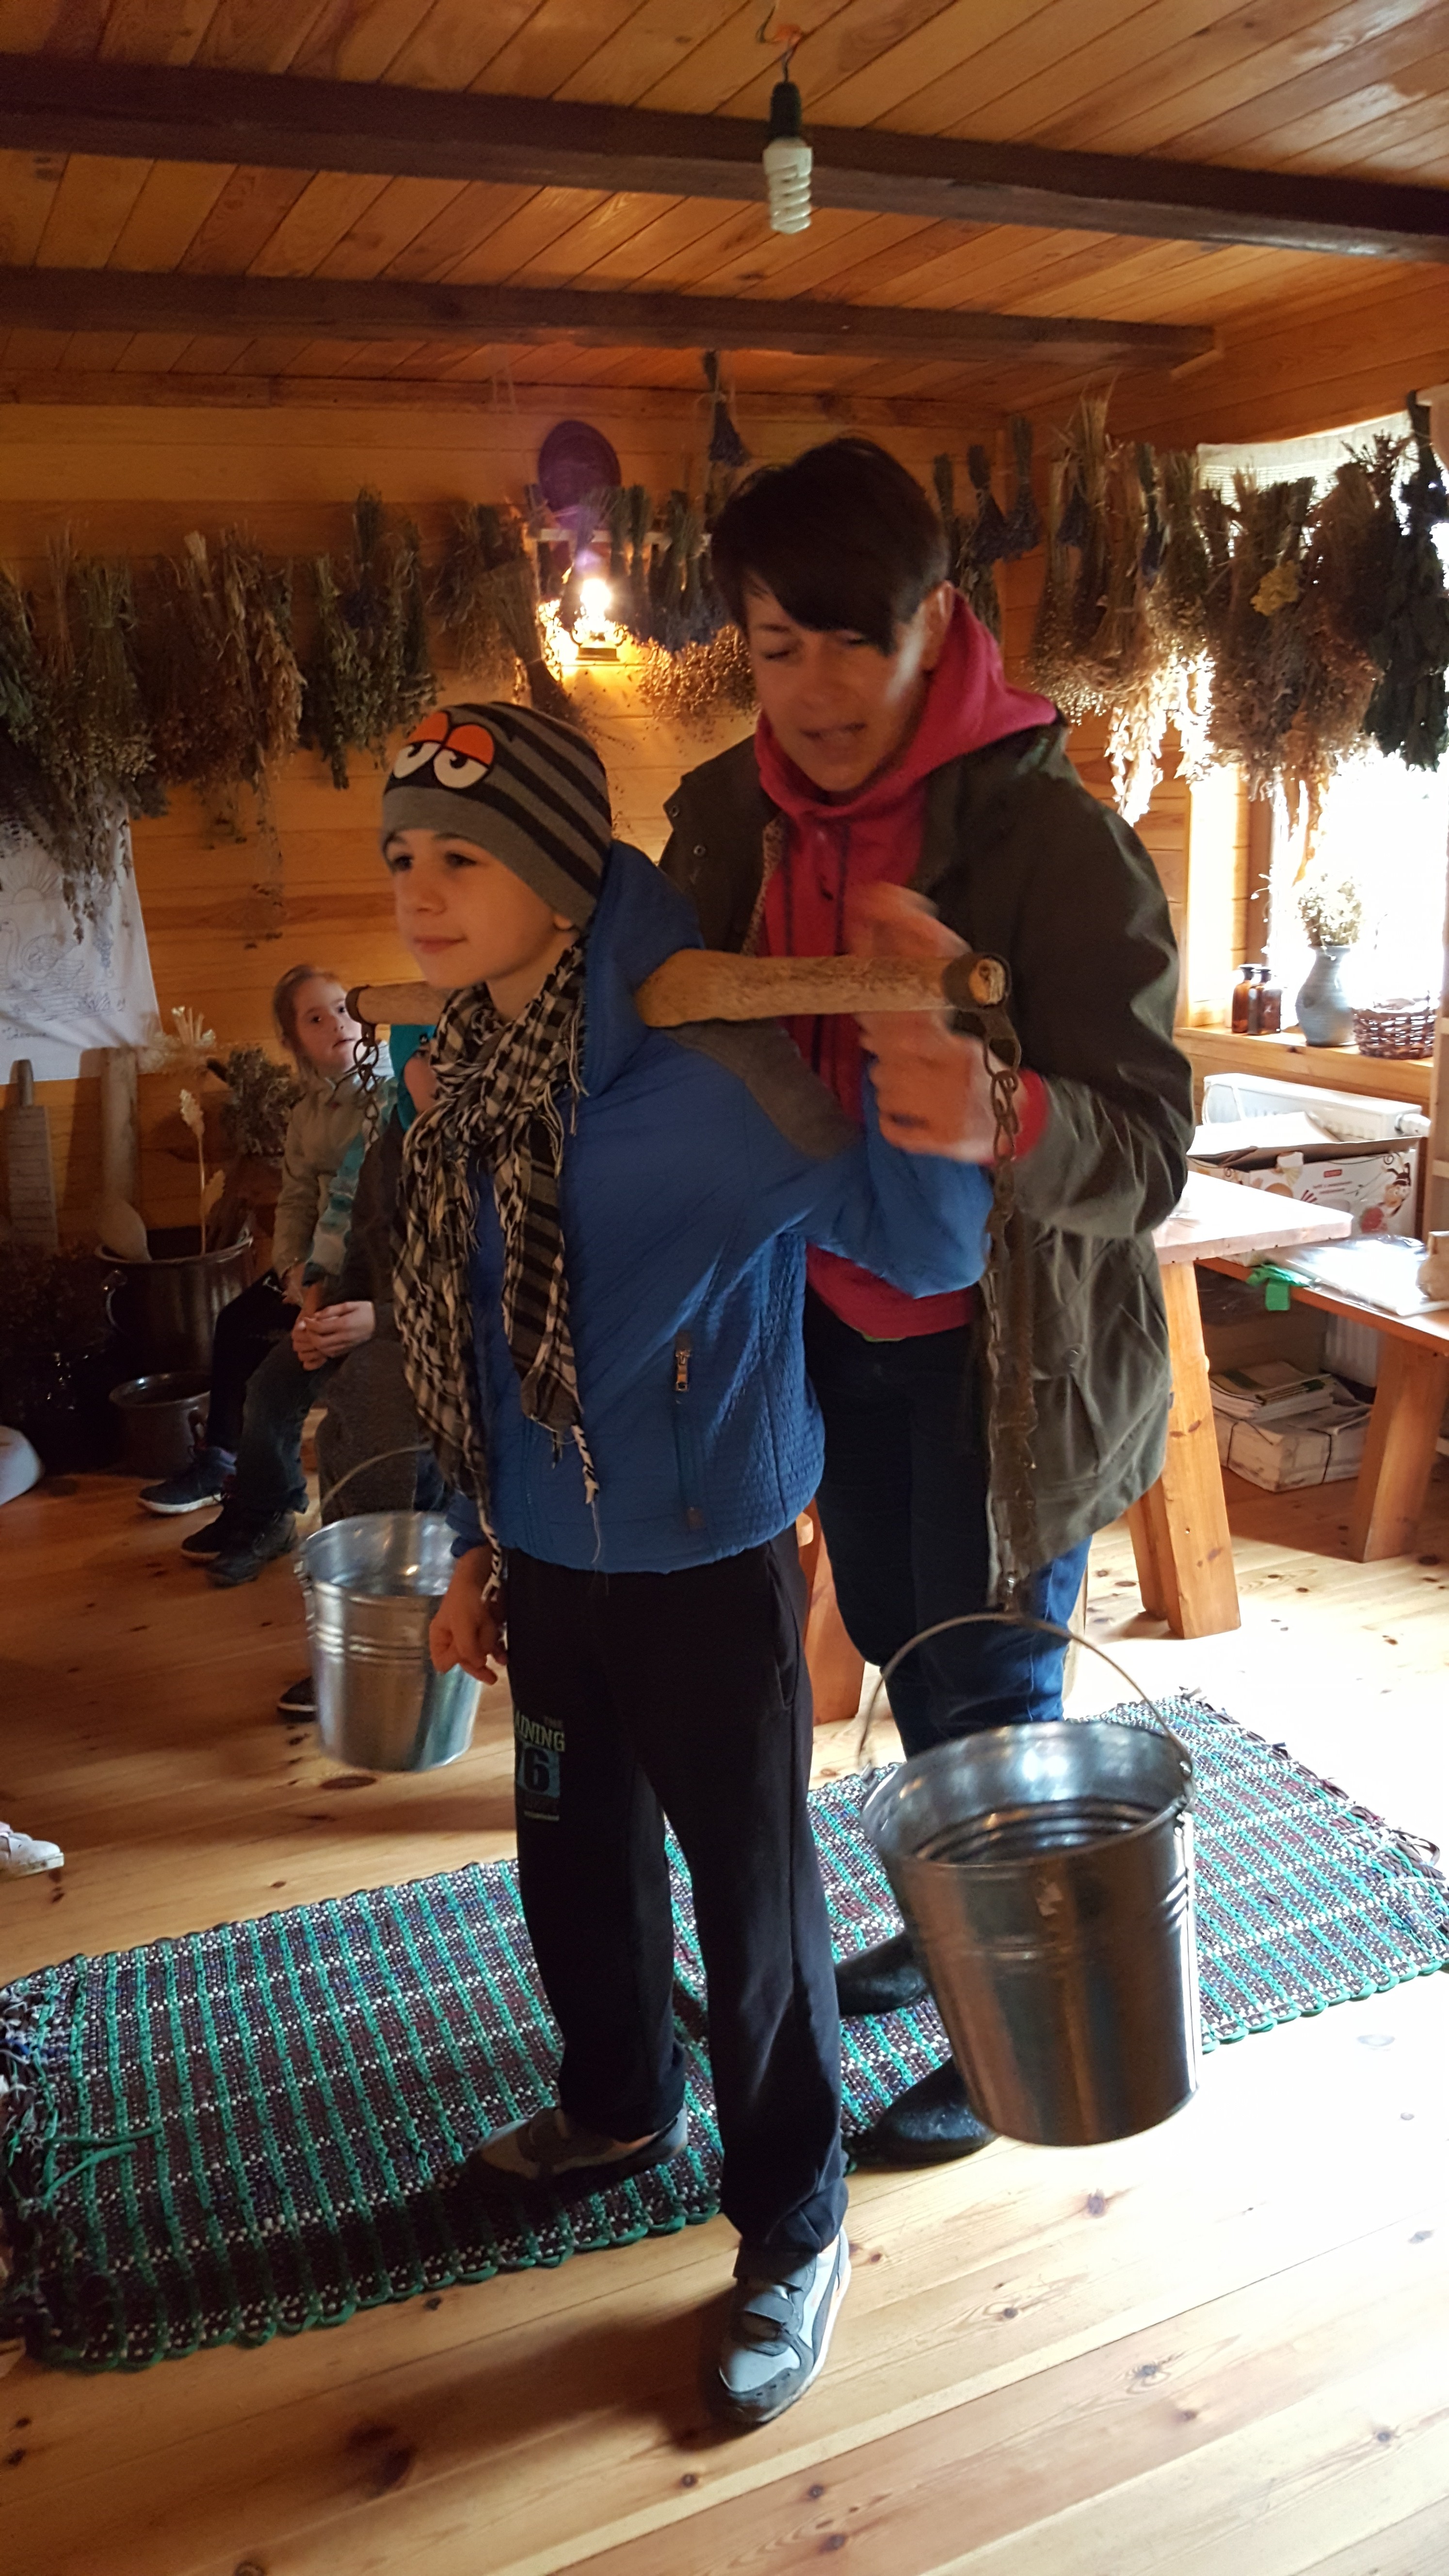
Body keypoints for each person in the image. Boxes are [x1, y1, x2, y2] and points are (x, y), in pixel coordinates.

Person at [386, 700, 992, 2431]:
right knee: (570, 1853)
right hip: (546, 1552)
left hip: (710, 1555)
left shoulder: (717, 1079)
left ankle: (796, 2218)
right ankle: (617, 2101)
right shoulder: (458, 1075)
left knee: (752, 1902)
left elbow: (913, 1246)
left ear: (562, 872)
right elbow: (466, 1336)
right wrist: (466, 1541)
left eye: (463, 857)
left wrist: (939, 1099)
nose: (420, 893)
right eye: (404, 857)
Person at [661, 437, 1194, 2167]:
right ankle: (957, 1923)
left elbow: (1152, 1148)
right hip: (822, 1331)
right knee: (898, 1632)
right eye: (776, 647)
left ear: (937, 621)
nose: (816, 690)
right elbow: (661, 1028)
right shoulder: (724, 821)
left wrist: (1000, 1109)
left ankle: (1013, 2017)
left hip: (1009, 1361)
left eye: (854, 641)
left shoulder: (1056, 842)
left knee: (994, 1689)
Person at [140, 965, 367, 1548]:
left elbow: (352, 1202)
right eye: (316, 1018)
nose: (337, 1024)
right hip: (312, 1266)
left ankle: (269, 1491)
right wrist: (290, 1270)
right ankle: (222, 1460)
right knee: (237, 1322)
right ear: (294, 1041)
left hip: (363, 1266)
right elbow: (296, 1199)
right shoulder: (306, 1112)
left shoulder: (386, 1094)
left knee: (283, 1366)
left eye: (344, 1008)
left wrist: (315, 1285)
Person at [274, 1034, 446, 1721]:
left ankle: (391, 1638)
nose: (434, 1068)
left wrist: (381, 1322)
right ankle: (351, 1640)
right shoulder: (391, 1145)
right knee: (343, 1394)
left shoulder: (495, 1145)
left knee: (379, 1402)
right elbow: (363, 1252)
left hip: (460, 1346)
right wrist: (323, 1320)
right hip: (386, 1332)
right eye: (423, 1053)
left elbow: (490, 1293)